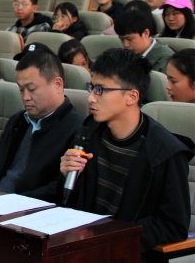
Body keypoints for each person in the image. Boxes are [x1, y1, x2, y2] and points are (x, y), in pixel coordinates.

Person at [59, 49, 194, 254]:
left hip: (126, 252)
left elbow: (173, 226)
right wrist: (66, 175)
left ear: (131, 96)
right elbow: (75, 202)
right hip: (82, 245)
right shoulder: (90, 130)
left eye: (100, 90)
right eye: (91, 88)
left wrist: (112, 238)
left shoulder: (165, 152)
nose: (91, 98)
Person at [0, 50, 84, 201]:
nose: (25, 97)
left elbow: (58, 189)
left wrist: (12, 203)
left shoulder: (77, 129)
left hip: (26, 208)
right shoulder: (18, 120)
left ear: (57, 84)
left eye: (31, 89)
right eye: (21, 89)